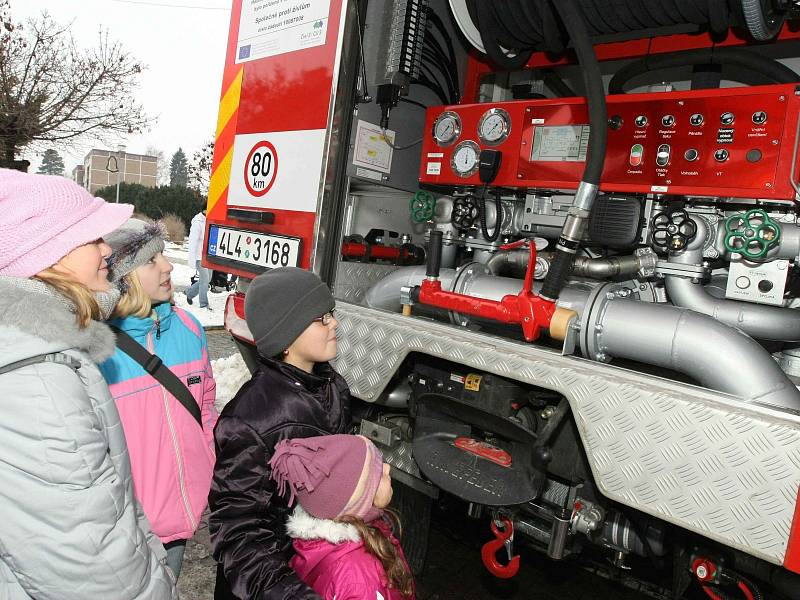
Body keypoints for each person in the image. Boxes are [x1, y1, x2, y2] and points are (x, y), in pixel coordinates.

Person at [0, 169, 177, 599]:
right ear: (45, 251)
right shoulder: (39, 381)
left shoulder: (45, 355)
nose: (105, 249)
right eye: (90, 237)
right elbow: (88, 565)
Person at [209, 267, 352, 600]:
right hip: (269, 584)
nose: (335, 323)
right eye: (321, 318)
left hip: (312, 565)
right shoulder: (250, 419)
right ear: (286, 336)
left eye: (331, 313)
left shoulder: (332, 387)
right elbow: (238, 533)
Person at [98, 218, 219, 579]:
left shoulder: (188, 328)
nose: (167, 266)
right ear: (125, 277)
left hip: (179, 518)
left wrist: (207, 451)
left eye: (164, 255)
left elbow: (207, 402)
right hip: (122, 528)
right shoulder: (97, 350)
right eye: (152, 261)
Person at [270, 435, 414, 600]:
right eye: (378, 472)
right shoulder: (359, 583)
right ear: (362, 500)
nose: (388, 468)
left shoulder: (353, 529)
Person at [185, 208, 211, 309]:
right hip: (199, 256)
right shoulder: (197, 222)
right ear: (205, 209)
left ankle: (189, 293)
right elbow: (193, 241)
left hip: (209, 256)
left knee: (207, 279)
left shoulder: (211, 220)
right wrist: (192, 259)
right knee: (204, 279)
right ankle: (204, 304)